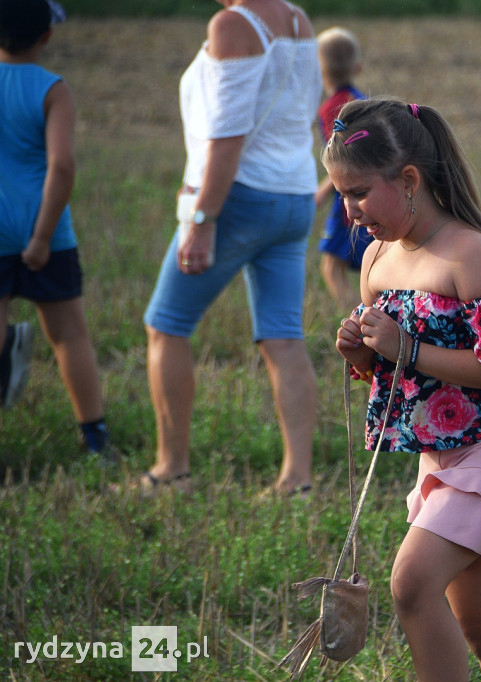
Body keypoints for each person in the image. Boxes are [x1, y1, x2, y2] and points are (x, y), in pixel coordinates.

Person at [329, 98, 481, 681]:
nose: (351, 210)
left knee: (411, 583)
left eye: (361, 191)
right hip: (443, 454)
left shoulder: (470, 254)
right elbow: (396, 369)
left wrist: (404, 347)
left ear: (409, 179)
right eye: (341, 194)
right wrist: (363, 353)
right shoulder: (376, 259)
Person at [140, 0, 320, 495]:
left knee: (166, 325)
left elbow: (228, 133)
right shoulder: (297, 17)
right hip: (294, 193)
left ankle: (170, 470)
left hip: (238, 197)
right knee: (284, 337)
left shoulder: (232, 24)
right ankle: (297, 480)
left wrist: (203, 217)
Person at [0, 0, 109, 454]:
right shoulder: (53, 89)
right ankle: (95, 439)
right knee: (69, 336)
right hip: (46, 230)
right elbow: (61, 165)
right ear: (47, 36)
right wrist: (42, 236)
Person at [314, 26, 372, 308]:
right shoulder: (361, 102)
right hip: (370, 190)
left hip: (347, 201)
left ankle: (359, 322)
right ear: (357, 67)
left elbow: (341, 156)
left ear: (318, 68)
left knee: (332, 268)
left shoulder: (332, 109)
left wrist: (323, 191)